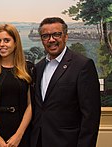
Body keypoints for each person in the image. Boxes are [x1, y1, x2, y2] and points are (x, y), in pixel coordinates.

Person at [30, 17, 101, 147]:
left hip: (67, 142)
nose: (51, 40)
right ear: (42, 40)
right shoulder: (38, 68)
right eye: (46, 36)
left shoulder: (82, 65)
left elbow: (90, 116)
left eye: (56, 34)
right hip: (39, 141)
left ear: (66, 36)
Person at [0, 24, 35, 147]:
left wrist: (19, 135)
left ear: (15, 43)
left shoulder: (28, 68)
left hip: (21, 132)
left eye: (7, 40)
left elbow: (31, 104)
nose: (2, 44)